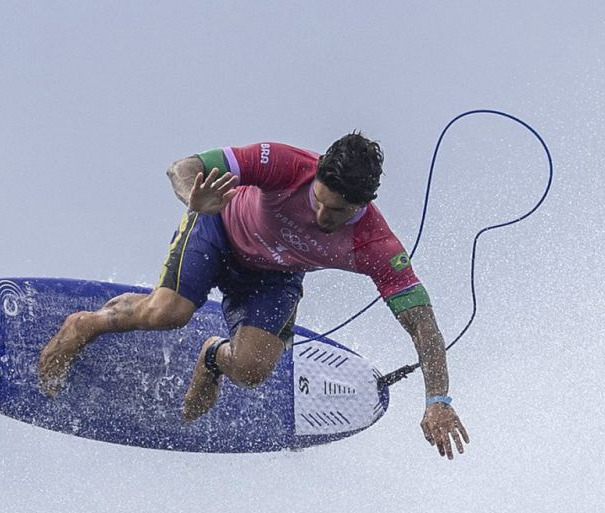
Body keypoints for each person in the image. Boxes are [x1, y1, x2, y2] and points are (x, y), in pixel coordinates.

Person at [38, 133, 470, 460]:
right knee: (167, 312)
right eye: (319, 200)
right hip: (219, 230)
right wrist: (196, 196)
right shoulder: (284, 164)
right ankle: (84, 324)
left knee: (250, 370)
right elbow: (182, 166)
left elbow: (422, 325)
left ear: (363, 204)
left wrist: (438, 400)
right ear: (316, 173)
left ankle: (211, 358)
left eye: (336, 213)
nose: (321, 216)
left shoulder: (374, 244)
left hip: (273, 279)